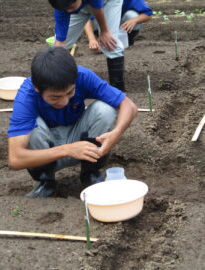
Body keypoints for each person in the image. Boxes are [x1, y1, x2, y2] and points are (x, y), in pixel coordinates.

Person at [8, 47, 138, 198]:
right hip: (47, 144)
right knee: (32, 128)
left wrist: (116, 133)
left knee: (105, 110)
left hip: (79, 135)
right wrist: (67, 150)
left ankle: (90, 174)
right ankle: (46, 183)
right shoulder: (26, 97)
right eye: (55, 97)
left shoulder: (82, 76)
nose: (64, 101)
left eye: (70, 93)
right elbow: (15, 159)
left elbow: (129, 106)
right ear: (37, 89)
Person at [47, 0, 127, 91]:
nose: (69, 11)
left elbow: (97, 8)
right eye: (66, 9)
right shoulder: (61, 5)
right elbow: (60, 41)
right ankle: (55, 86)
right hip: (80, 7)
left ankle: (119, 91)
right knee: (58, 47)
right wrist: (57, 54)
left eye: (71, 7)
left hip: (108, 2)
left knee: (110, 43)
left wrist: (104, 31)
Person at [84, 0, 153, 51]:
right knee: (96, 18)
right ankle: (100, 41)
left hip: (123, 26)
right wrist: (92, 39)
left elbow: (148, 14)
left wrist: (134, 20)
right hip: (104, 23)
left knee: (132, 16)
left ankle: (129, 41)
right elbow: (87, 20)